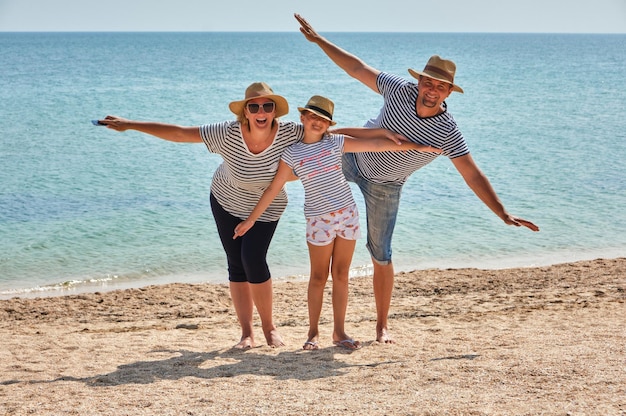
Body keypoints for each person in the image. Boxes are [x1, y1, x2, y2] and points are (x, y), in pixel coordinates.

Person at [295, 14, 540, 344]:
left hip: (386, 186)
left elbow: (471, 173)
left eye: (440, 87)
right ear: (420, 81)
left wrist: (502, 212)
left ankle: (382, 325)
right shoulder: (398, 90)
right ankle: (254, 190)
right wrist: (320, 40)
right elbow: (356, 68)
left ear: (448, 92)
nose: (431, 90)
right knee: (302, 158)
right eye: (428, 83)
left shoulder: (448, 131)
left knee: (381, 253)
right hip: (352, 157)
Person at [96, 82, 305, 349]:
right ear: (246, 112)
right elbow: (181, 134)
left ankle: (269, 328)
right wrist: (131, 124)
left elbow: (326, 135)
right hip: (225, 200)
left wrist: (375, 140)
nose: (261, 111)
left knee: (253, 259)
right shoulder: (227, 133)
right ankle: (246, 333)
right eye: (254, 106)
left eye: (268, 106)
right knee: (237, 265)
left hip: (266, 208)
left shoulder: (290, 134)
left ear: (275, 111)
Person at [233, 95, 442, 350]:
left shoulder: (336, 143)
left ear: (329, 124)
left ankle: (339, 332)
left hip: (347, 215)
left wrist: (416, 147)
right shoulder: (292, 153)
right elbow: (274, 188)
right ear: (303, 118)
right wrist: (251, 220)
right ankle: (312, 333)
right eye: (313, 116)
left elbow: (377, 144)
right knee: (318, 277)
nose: (317, 122)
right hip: (318, 219)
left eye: (323, 119)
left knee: (341, 275)